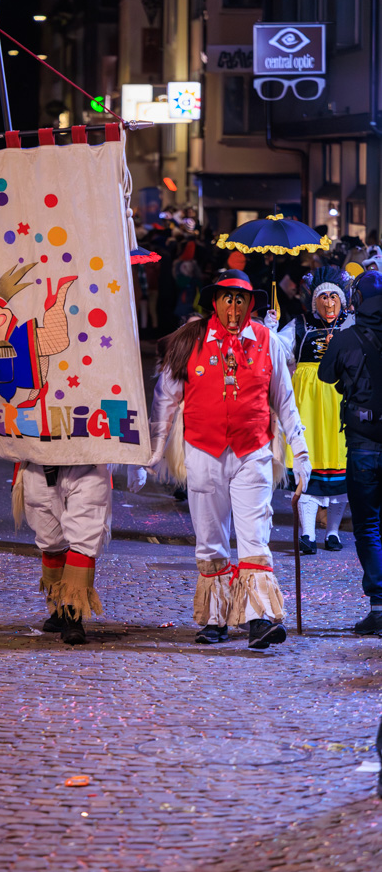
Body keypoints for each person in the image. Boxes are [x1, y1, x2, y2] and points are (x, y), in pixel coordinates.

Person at [129, 270, 311, 649]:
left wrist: (301, 450)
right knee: (210, 538)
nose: (233, 307)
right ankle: (215, 619)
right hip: (204, 450)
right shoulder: (188, 343)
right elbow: (166, 400)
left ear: (250, 304)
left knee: (254, 534)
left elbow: (285, 399)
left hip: (253, 451)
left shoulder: (267, 342)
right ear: (214, 302)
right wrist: (150, 456)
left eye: (240, 299)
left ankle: (260, 619)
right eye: (226, 298)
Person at [268, 266, 353, 553]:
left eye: (334, 298)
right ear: (313, 301)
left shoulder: (351, 326)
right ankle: (307, 533)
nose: (329, 303)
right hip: (307, 404)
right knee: (307, 465)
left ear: (343, 300)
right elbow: (278, 350)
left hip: (340, 404)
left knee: (341, 469)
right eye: (323, 297)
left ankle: (332, 532)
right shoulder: (300, 325)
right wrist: (270, 330)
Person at [319, 270, 382, 635]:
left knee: (368, 527)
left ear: (355, 301)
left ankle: (378, 606)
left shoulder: (345, 338)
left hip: (362, 445)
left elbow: (327, 377)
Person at [13, 462, 111, 645]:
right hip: (39, 466)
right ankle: (59, 608)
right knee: (50, 541)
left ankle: (73, 615)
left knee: (85, 539)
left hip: (89, 466)